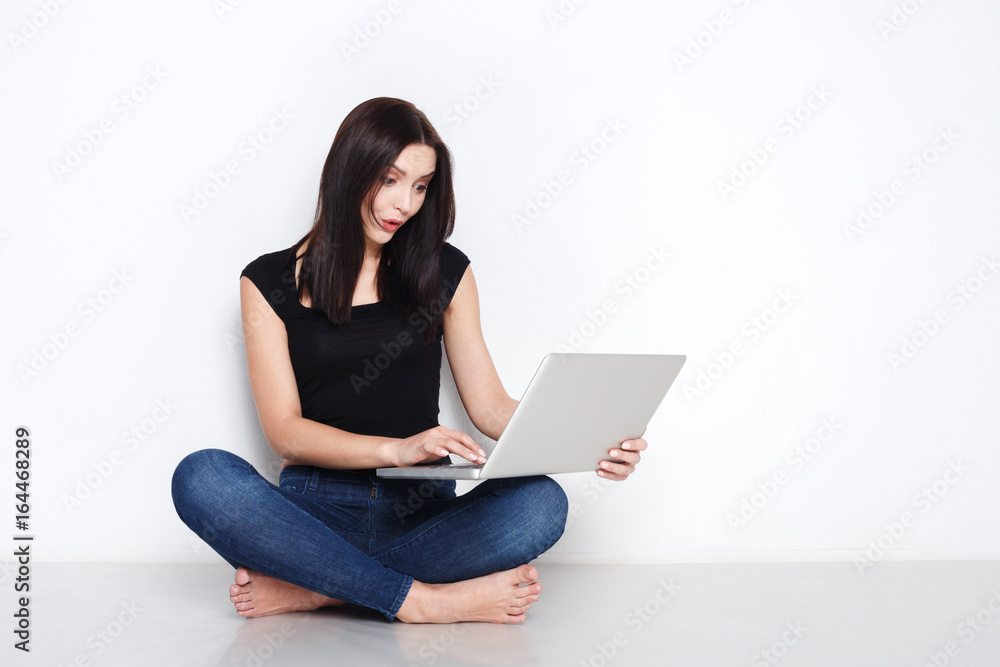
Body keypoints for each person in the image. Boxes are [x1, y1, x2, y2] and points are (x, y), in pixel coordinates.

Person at [170, 97, 648, 624]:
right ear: (348, 170)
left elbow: (490, 407)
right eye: (390, 180)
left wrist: (589, 440)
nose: (404, 204)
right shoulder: (267, 281)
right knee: (201, 476)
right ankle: (423, 600)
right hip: (313, 512)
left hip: (423, 512)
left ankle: (322, 588)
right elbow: (284, 432)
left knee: (541, 502)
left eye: (421, 186)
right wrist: (396, 449)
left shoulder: (446, 270)